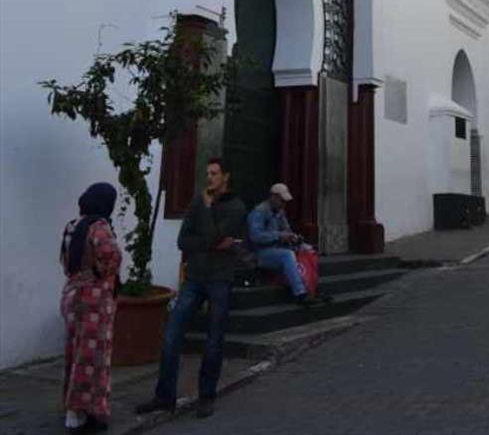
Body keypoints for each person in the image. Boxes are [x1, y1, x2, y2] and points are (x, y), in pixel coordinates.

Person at [136, 157, 246, 421]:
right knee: (172, 335)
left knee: (214, 341)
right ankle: (164, 397)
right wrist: (213, 241)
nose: (209, 178)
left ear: (226, 177)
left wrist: (208, 217)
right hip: (195, 278)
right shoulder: (198, 201)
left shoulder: (236, 207)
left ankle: (206, 397)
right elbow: (183, 240)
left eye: (214, 173)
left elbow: (211, 235)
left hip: (220, 279)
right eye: (207, 173)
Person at [59, 182, 122, 432]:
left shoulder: (72, 226)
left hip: (71, 295)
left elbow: (65, 262)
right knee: (93, 359)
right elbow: (112, 258)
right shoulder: (100, 228)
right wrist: (98, 273)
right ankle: (88, 412)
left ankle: (73, 411)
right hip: (95, 300)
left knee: (75, 354)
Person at [247, 183, 322, 306]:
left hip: (277, 248)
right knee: (287, 255)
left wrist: (294, 238)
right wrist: (279, 235)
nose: (283, 204)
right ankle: (300, 293)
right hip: (260, 253)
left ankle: (311, 289)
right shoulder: (259, 212)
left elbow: (286, 230)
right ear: (273, 197)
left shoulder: (280, 212)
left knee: (308, 250)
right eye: (282, 200)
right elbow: (255, 236)